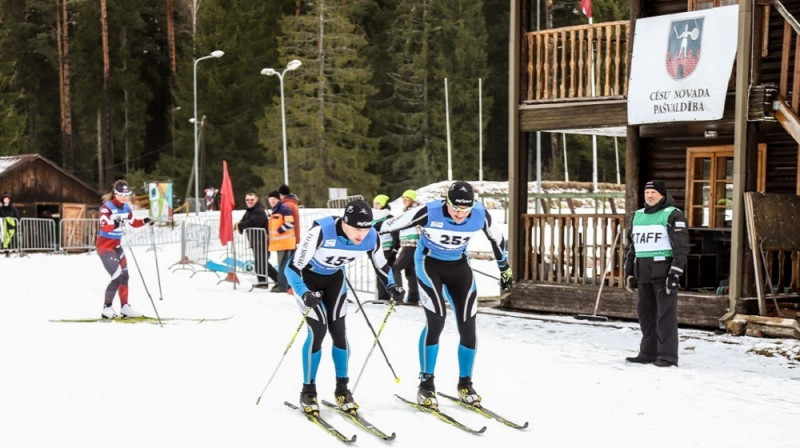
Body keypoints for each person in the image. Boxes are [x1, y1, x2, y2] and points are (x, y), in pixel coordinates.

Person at [380, 181, 512, 409]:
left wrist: (504, 269)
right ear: (446, 202)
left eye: (465, 209)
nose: (460, 214)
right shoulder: (429, 211)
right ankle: (426, 383)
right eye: (455, 208)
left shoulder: (480, 214)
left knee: (468, 324)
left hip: (459, 267)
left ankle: (465, 383)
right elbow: (388, 225)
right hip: (429, 265)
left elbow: (497, 239)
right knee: (436, 320)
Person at [286, 199, 405, 415]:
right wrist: (303, 292)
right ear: (344, 222)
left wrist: (392, 285)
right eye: (356, 228)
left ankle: (342, 389)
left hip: (334, 280)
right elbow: (292, 267)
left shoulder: (371, 237)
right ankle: (308, 391)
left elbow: (382, 265)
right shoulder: (321, 232)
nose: (361, 234)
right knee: (318, 330)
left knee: (339, 332)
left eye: (366, 227)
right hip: (307, 280)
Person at [624, 180, 689, 368]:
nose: (650, 196)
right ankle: (648, 352)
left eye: (654, 192)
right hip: (643, 273)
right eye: (647, 193)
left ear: (662, 195)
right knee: (645, 314)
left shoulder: (672, 215)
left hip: (664, 273)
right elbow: (632, 247)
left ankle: (667, 356)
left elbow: (681, 247)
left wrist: (675, 273)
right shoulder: (638, 216)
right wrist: (629, 272)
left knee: (664, 316)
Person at [96, 180, 153, 319]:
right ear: (115, 193)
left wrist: (145, 220)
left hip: (117, 246)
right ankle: (107, 307)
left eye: (127, 194)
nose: (124, 197)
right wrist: (116, 223)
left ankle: (125, 307)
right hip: (105, 246)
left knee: (125, 276)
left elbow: (133, 222)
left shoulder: (126, 208)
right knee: (117, 276)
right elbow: (105, 226)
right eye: (121, 194)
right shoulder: (106, 207)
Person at [237, 192, 277, 288]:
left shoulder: (259, 210)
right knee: (260, 262)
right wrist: (241, 224)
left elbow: (254, 222)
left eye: (252, 199)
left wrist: (240, 225)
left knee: (262, 262)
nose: (249, 201)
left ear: (256, 200)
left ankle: (279, 280)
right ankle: (262, 282)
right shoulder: (250, 211)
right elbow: (243, 221)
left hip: (261, 240)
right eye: (247, 200)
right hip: (255, 240)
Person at [391, 189, 421, 305]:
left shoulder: (415, 211)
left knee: (396, 268)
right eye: (404, 199)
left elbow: (420, 227)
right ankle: (413, 298)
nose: (405, 201)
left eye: (407, 199)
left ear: (412, 200)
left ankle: (398, 297)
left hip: (411, 244)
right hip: (407, 243)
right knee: (411, 272)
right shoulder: (407, 211)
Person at [266, 190, 296, 293]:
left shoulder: (284, 209)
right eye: (270, 200)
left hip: (285, 243)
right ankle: (283, 284)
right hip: (279, 244)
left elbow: (291, 223)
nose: (272, 201)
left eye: (274, 199)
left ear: (278, 199)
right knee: (282, 265)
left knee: (283, 265)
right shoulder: (275, 210)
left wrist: (280, 229)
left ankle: (282, 286)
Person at [371, 194, 399, 301]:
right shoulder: (372, 216)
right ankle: (382, 297)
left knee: (386, 273)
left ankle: (388, 296)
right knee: (379, 273)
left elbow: (395, 233)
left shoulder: (389, 217)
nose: (375, 205)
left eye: (378, 203)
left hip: (388, 249)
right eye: (374, 203)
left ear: (383, 205)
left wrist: (395, 248)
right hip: (376, 249)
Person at [1, 193, 21, 257]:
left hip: (11, 224)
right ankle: (6, 251)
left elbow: (17, 215)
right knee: (4, 237)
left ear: (9, 200)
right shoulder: (1, 208)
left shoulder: (13, 208)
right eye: (5, 199)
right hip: (3, 225)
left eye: (7, 199)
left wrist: (17, 221)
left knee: (10, 237)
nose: (6, 200)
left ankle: (13, 249)